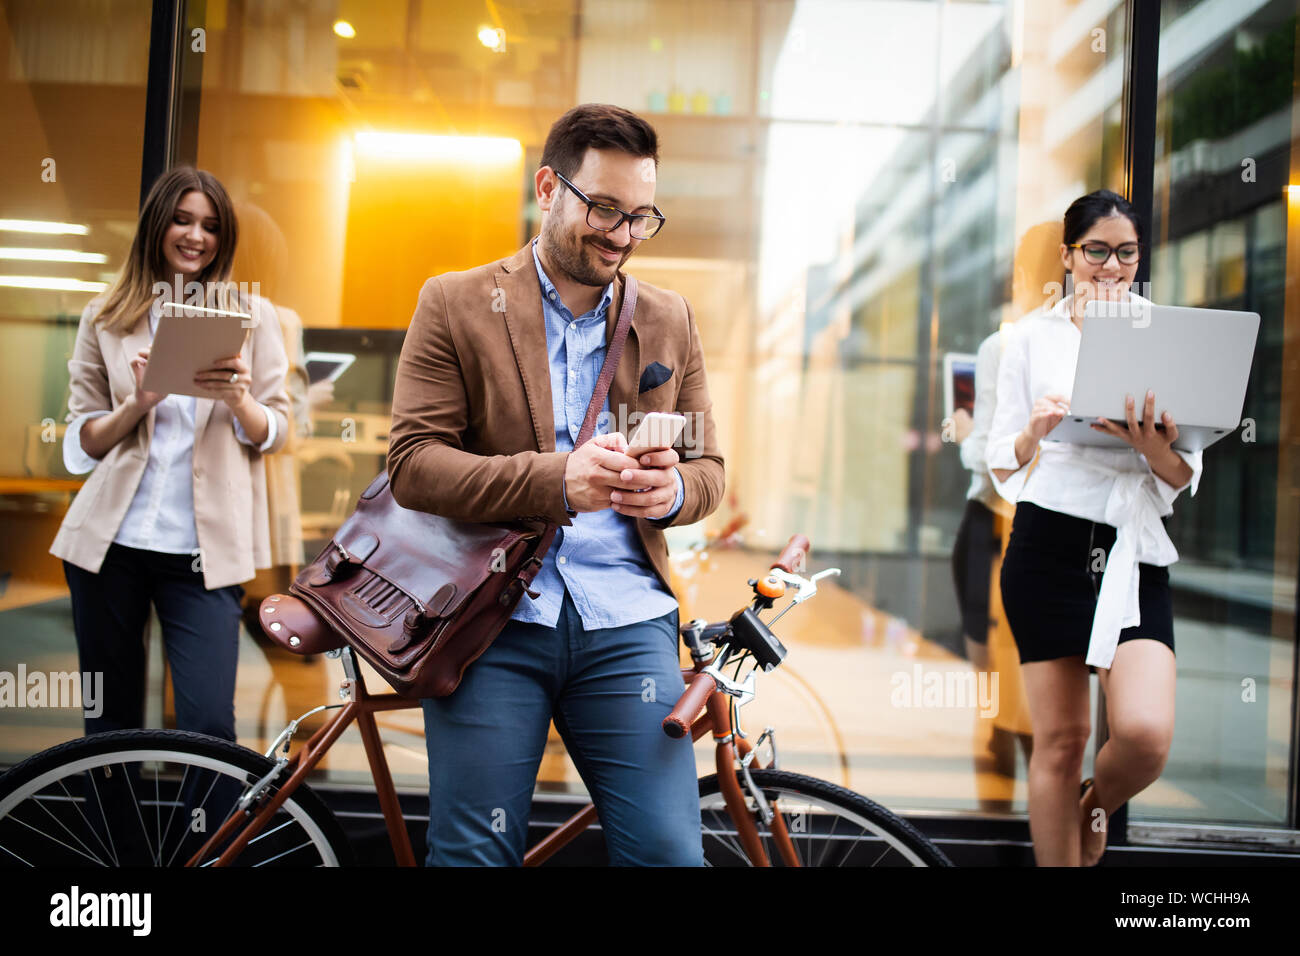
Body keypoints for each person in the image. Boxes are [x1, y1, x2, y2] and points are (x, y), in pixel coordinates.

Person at [387, 103, 725, 866]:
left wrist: (670, 494)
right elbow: (412, 463)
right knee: (474, 857)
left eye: (641, 217)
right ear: (548, 188)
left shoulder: (669, 318)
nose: (622, 235)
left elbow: (710, 472)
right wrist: (558, 481)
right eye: (604, 208)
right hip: (491, 617)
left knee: (670, 857)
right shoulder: (456, 302)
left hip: (626, 621)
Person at [986, 189, 1200, 866]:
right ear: (1068, 256)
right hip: (1047, 544)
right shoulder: (1027, 338)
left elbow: (1183, 473)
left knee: (1144, 734)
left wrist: (1151, 446)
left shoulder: (1164, 336)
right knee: (1059, 741)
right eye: (1097, 251)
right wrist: (1035, 431)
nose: (1112, 266)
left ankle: (1093, 804)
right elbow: (1001, 461)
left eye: (1126, 253)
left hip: (1131, 548)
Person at [50, 166, 291, 742]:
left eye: (210, 225)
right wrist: (138, 403)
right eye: (182, 220)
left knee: (208, 725)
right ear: (158, 225)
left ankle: (209, 811)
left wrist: (239, 399)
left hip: (203, 553)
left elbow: (277, 431)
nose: (195, 236)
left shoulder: (254, 317)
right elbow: (80, 444)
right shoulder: (106, 316)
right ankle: (114, 810)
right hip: (110, 547)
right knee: (109, 725)